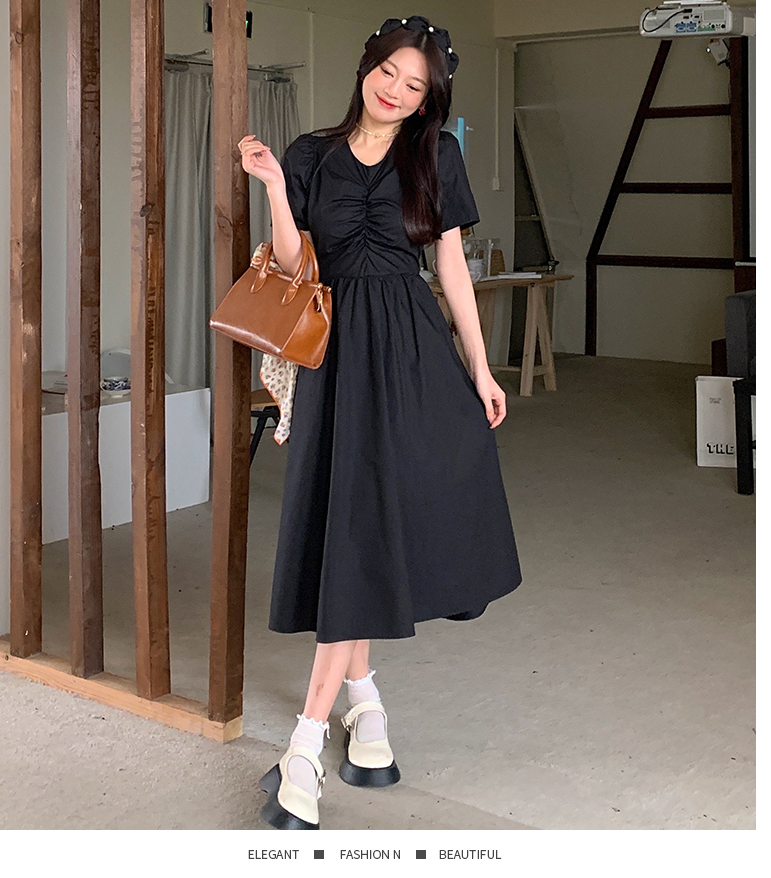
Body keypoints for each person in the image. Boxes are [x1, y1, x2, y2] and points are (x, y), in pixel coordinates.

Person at [238, 15, 522, 830]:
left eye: (415, 84)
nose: (396, 90)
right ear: (367, 67)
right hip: (334, 356)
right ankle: (364, 709)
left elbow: (451, 267)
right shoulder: (309, 155)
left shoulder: (436, 156)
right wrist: (273, 188)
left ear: (428, 99)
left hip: (410, 351)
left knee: (368, 526)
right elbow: (292, 264)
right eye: (389, 72)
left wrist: (480, 367)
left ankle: (305, 746)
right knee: (350, 528)